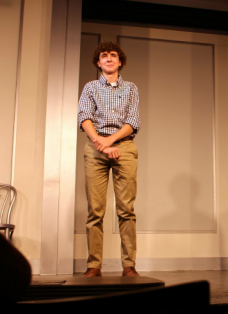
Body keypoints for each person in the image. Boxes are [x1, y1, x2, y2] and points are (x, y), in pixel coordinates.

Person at [78, 42, 140, 276]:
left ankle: (129, 265)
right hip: (96, 149)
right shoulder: (91, 87)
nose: (109, 59)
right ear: (98, 62)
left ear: (120, 61)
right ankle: (94, 265)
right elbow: (84, 117)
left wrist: (111, 142)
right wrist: (101, 144)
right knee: (95, 210)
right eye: (104, 56)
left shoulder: (131, 88)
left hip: (123, 147)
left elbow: (132, 121)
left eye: (113, 55)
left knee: (126, 210)